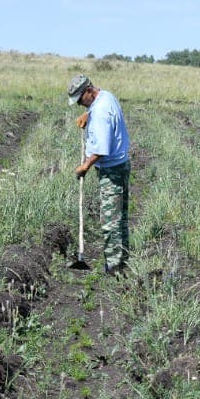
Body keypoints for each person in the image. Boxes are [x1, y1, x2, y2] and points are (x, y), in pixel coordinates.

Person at [67, 74, 130, 274]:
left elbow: (101, 149)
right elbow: (100, 114)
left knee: (110, 220)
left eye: (80, 100)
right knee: (119, 218)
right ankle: (121, 260)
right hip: (120, 165)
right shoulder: (105, 97)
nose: (78, 104)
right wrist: (89, 114)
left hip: (111, 171)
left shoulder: (101, 111)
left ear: (88, 91)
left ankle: (114, 267)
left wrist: (84, 166)